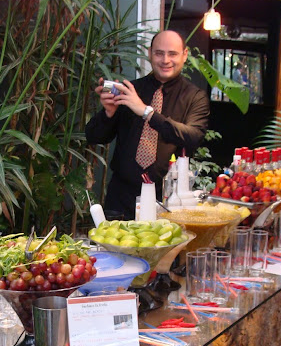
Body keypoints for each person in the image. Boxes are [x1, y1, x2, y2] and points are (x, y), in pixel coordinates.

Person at [85, 30, 210, 219]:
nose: (165, 60)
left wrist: (146, 112)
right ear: (150, 53)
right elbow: (94, 136)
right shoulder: (131, 90)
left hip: (167, 201)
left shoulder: (195, 97)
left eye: (173, 54)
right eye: (159, 53)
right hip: (121, 199)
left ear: (184, 55)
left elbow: (193, 136)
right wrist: (108, 113)